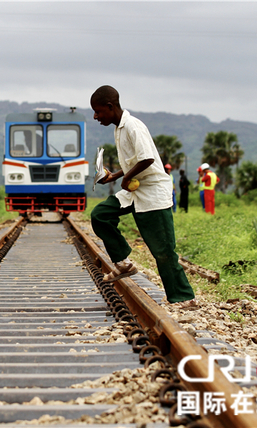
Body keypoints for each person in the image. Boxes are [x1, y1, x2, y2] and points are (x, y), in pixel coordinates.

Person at [89, 85, 196, 308]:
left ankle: (184, 298)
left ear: (110, 107)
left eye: (98, 111)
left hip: (153, 192)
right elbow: (133, 161)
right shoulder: (118, 128)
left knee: (163, 249)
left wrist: (126, 179)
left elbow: (147, 159)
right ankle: (123, 263)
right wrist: (115, 176)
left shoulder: (133, 126)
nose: (95, 116)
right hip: (134, 192)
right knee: (100, 214)